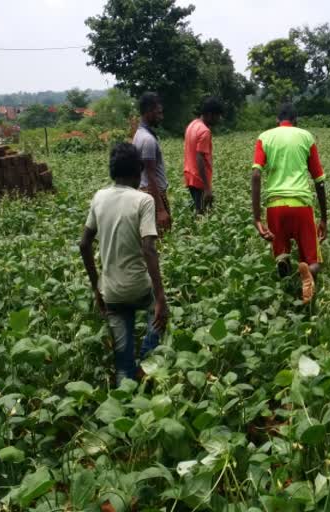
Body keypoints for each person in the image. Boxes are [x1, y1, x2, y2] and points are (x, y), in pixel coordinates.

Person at [79, 143, 169, 385]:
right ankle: (148, 363)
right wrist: (160, 297)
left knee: (122, 361)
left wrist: (96, 287)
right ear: (138, 170)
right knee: (159, 315)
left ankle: (124, 399)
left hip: (112, 293)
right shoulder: (144, 200)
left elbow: (84, 244)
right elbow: (149, 249)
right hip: (140, 289)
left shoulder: (99, 197)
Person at [250, 103, 328, 304]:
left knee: (281, 258)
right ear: (297, 122)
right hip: (301, 204)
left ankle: (287, 300)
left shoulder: (264, 137)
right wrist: (324, 219)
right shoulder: (306, 137)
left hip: (276, 206)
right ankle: (308, 285)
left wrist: (257, 218)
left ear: (277, 121)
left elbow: (256, 174)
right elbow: (319, 180)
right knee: (313, 261)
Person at [133, 92, 171, 236]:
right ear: (149, 112)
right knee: (160, 239)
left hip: (146, 193)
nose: (161, 117)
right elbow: (151, 175)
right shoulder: (148, 140)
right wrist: (160, 210)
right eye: (158, 113)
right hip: (153, 196)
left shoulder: (138, 134)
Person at [183, 97, 224, 215]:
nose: (219, 119)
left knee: (199, 211)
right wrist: (207, 187)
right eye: (218, 116)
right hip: (199, 179)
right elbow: (199, 158)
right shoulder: (205, 131)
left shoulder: (192, 125)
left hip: (190, 175)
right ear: (210, 115)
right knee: (202, 215)